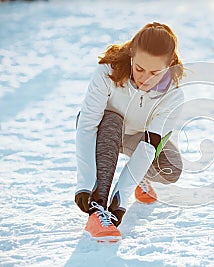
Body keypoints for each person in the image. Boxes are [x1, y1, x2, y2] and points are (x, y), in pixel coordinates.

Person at [74, 22, 184, 241]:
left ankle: (136, 178)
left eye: (155, 72)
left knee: (171, 169)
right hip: (102, 130)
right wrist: (85, 185)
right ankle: (97, 208)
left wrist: (120, 200)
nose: (145, 78)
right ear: (132, 54)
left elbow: (149, 145)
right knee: (113, 121)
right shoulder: (108, 71)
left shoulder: (174, 96)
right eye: (139, 68)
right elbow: (87, 125)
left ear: (169, 65)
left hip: (137, 137)